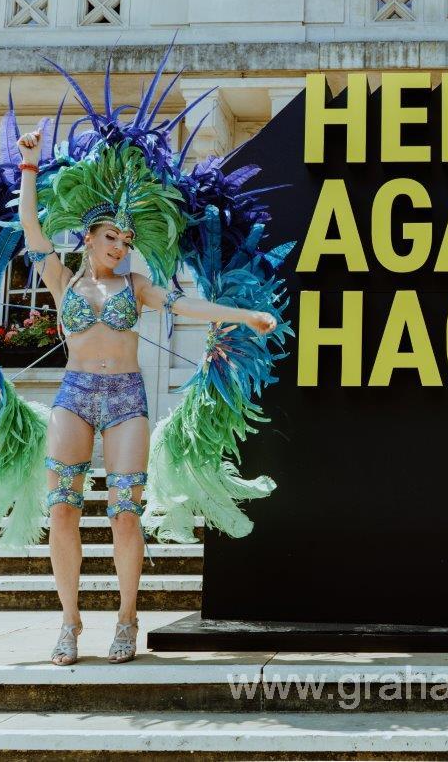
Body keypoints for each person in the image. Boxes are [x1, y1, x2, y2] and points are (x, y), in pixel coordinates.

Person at [15, 128, 277, 665]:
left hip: (126, 399)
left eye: (127, 241)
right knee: (62, 510)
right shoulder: (62, 281)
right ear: (89, 238)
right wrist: (29, 166)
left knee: (125, 514)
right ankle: (69, 621)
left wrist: (245, 317)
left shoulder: (136, 288)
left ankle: (127, 619)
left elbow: (188, 308)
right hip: (75, 394)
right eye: (111, 237)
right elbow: (31, 227)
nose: (120, 247)